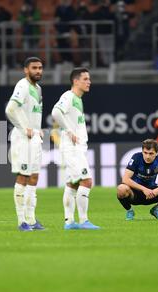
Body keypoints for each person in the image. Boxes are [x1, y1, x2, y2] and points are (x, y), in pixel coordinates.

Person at [51, 68, 100, 230]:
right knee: (87, 181)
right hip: (72, 149)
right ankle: (84, 220)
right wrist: (69, 130)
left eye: (89, 79)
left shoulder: (78, 99)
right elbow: (56, 112)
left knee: (72, 184)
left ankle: (70, 222)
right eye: (85, 79)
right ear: (76, 81)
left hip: (75, 148)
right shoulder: (69, 96)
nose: (89, 82)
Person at [5, 57, 45, 231]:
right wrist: (24, 128)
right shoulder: (22, 85)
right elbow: (10, 108)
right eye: (34, 68)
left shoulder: (37, 88)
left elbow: (31, 112)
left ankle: (31, 219)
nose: (38, 71)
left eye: (40, 68)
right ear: (26, 70)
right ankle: (22, 221)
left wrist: (37, 129)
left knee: (34, 177)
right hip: (23, 138)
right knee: (23, 177)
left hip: (34, 138)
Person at [117, 139, 158, 221]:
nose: (147, 156)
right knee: (121, 189)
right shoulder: (136, 157)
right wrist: (144, 189)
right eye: (145, 153)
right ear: (142, 151)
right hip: (136, 193)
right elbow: (125, 179)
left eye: (151, 153)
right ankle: (129, 211)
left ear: (156, 152)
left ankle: (157, 209)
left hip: (153, 193)